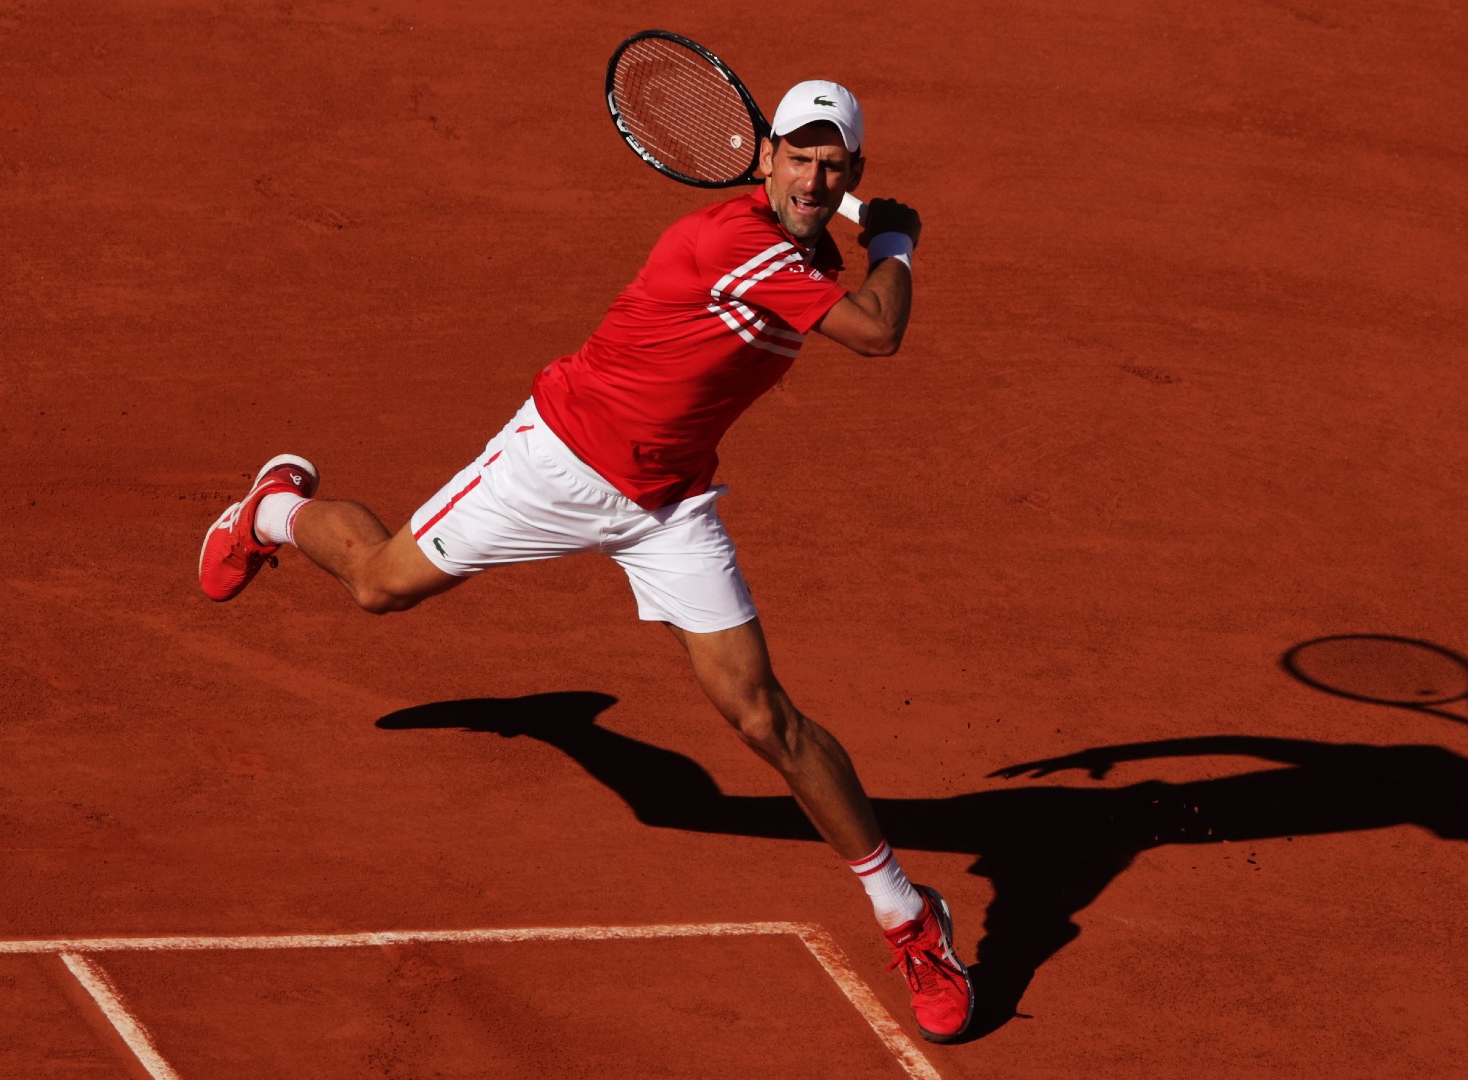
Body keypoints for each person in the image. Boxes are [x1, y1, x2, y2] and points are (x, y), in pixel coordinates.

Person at [197, 80, 974, 1043]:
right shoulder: (734, 243)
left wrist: (868, 245)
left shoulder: (810, 254)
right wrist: (894, 243)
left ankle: (910, 919)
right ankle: (274, 509)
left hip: (670, 504)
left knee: (763, 717)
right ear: (766, 155)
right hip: (557, 463)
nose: (814, 178)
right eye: (799, 157)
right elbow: (879, 332)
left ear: (851, 168)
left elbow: (837, 300)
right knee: (378, 585)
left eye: (832, 163)